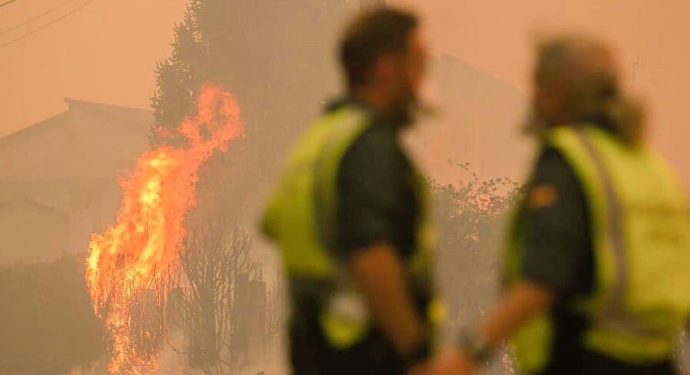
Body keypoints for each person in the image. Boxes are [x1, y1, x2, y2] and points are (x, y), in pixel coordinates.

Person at [434, 34, 690, 375]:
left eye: (538, 87)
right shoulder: (649, 166)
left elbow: (545, 276)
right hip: (658, 360)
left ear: (556, 91)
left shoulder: (568, 159)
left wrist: (468, 353)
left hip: (584, 357)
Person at [260, 7, 441, 375]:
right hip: (367, 353)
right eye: (417, 64)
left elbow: (274, 224)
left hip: (317, 350)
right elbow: (371, 256)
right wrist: (418, 353)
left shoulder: (320, 139)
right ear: (387, 67)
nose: (422, 80)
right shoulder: (368, 146)